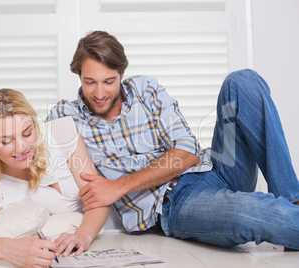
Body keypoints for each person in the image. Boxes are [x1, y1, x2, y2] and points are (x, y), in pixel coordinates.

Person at [47, 30, 299, 249]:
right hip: (175, 203)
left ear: (121, 73)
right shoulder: (65, 116)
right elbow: (37, 163)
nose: (99, 93)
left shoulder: (145, 90)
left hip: (214, 170)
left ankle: (293, 200)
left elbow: (188, 153)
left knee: (242, 81)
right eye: (89, 82)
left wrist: (118, 186)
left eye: (109, 81)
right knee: (254, 211)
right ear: (78, 75)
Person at [0, 88, 108, 268]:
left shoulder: (60, 133)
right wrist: (10, 250)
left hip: (108, 233)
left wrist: (83, 235)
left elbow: (98, 198)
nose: (22, 148)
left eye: (27, 133)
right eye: (6, 141)